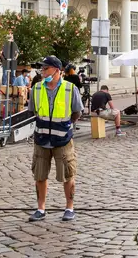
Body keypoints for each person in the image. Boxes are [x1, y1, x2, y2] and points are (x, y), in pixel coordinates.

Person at [29, 55, 82, 222]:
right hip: (42, 139)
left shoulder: (69, 88)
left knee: (68, 173)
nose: (43, 72)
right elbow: (33, 111)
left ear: (57, 71)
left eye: (46, 69)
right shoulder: (36, 89)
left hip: (63, 139)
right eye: (42, 69)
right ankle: (41, 208)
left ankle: (69, 208)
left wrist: (65, 125)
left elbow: (76, 112)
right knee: (40, 174)